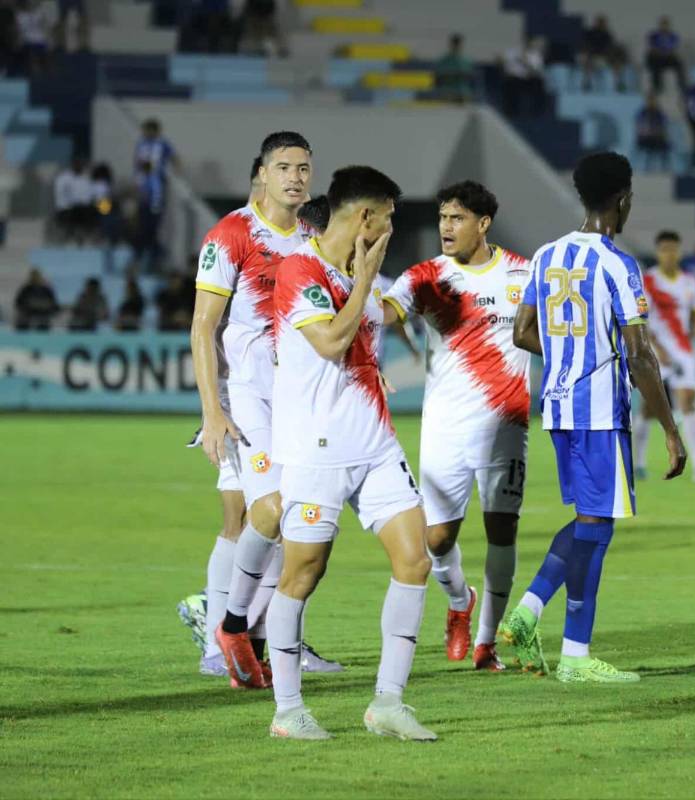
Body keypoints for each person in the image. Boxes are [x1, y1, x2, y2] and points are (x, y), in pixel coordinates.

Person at [499, 151, 686, 683]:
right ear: (624, 199)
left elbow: (521, 332)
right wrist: (671, 430)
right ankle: (575, 656)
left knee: (589, 518)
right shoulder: (617, 263)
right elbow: (641, 353)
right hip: (600, 412)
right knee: (598, 529)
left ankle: (529, 612)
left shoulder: (545, 255)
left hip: (558, 407)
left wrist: (565, 358)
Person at [267, 165, 436, 740]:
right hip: (316, 450)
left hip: (375, 444)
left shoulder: (360, 274)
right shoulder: (300, 270)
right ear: (365, 217)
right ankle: (288, 711)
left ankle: (388, 702)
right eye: (388, 218)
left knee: (415, 560)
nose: (390, 228)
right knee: (302, 575)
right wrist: (365, 280)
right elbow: (332, 341)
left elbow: (360, 346)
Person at [381, 181, 531, 673]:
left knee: (501, 530)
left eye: (457, 218)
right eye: (443, 217)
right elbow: (385, 312)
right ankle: (458, 599)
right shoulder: (426, 277)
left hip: (507, 422)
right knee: (438, 539)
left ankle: (487, 644)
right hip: (445, 423)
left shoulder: (523, 274)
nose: (446, 226)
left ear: (483, 223)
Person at [190, 132, 317, 689]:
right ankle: (225, 634)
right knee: (258, 511)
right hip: (248, 398)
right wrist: (213, 411)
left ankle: (259, 640)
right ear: (262, 173)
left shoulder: (313, 238)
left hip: (301, 401)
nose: (294, 176)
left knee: (296, 521)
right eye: (283, 166)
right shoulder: (232, 234)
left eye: (304, 168)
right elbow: (202, 326)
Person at [633, 230, 695, 482]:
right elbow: (641, 321)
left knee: (688, 401)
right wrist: (657, 350)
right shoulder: (647, 281)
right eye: (664, 249)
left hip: (683, 351)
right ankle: (637, 463)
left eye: (673, 249)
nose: (669, 254)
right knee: (649, 407)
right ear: (658, 252)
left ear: (679, 251)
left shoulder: (689, 282)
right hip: (655, 351)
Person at [579, 14, 627, 92]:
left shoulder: (607, 35)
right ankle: (587, 83)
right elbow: (585, 45)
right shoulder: (590, 33)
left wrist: (609, 55)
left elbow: (611, 47)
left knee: (617, 63)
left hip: (605, 57)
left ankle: (619, 83)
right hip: (592, 56)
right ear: (596, 23)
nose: (602, 24)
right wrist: (589, 53)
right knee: (585, 59)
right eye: (600, 22)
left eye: (603, 23)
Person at [500, 35, 545, 117]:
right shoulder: (512, 52)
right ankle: (511, 111)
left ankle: (536, 111)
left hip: (527, 79)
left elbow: (536, 70)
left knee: (538, 83)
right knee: (511, 83)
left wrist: (525, 61)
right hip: (514, 78)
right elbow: (506, 66)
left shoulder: (535, 55)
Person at [132, 160, 165, 272]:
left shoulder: (154, 180)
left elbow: (157, 195)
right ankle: (145, 257)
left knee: (150, 235)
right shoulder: (144, 179)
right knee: (144, 234)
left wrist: (154, 210)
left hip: (151, 211)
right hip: (145, 209)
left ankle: (153, 259)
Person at [53, 157, 92, 243]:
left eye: (81, 165)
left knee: (105, 209)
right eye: (77, 164)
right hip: (67, 209)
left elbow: (90, 195)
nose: (79, 166)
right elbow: (61, 196)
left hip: (83, 208)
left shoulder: (85, 178)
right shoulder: (64, 178)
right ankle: (75, 235)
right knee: (79, 212)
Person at [644, 15, 685, 94]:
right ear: (660, 25)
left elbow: (674, 48)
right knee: (655, 67)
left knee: (679, 64)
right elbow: (652, 48)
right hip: (657, 59)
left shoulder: (673, 36)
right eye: (662, 24)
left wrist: (668, 52)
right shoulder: (654, 36)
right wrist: (660, 52)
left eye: (666, 24)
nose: (664, 26)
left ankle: (682, 85)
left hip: (667, 58)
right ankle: (658, 87)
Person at [433, 33, 474, 103]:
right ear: (451, 44)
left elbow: (470, 78)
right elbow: (437, 78)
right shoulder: (443, 61)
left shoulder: (467, 60)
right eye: (455, 43)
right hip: (447, 92)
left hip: (462, 93)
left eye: (458, 44)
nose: (456, 46)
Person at [635, 94, 670, 172]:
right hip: (645, 139)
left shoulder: (659, 113)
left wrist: (658, 133)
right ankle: (645, 170)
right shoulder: (642, 113)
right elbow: (639, 127)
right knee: (646, 148)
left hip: (657, 138)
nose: (651, 102)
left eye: (653, 100)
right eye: (650, 100)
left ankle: (665, 169)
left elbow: (664, 126)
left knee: (665, 147)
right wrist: (646, 132)